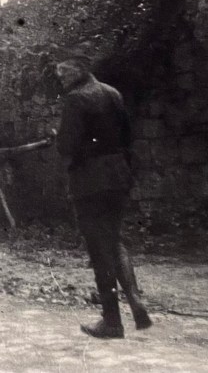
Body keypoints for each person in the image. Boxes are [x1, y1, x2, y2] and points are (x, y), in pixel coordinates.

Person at [55, 55, 152, 339]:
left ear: (79, 71)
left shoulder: (76, 99)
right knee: (113, 238)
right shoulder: (113, 93)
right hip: (118, 175)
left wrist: (58, 136)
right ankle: (135, 299)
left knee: (99, 248)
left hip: (90, 181)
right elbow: (126, 136)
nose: (61, 77)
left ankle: (111, 321)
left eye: (64, 72)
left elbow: (65, 146)